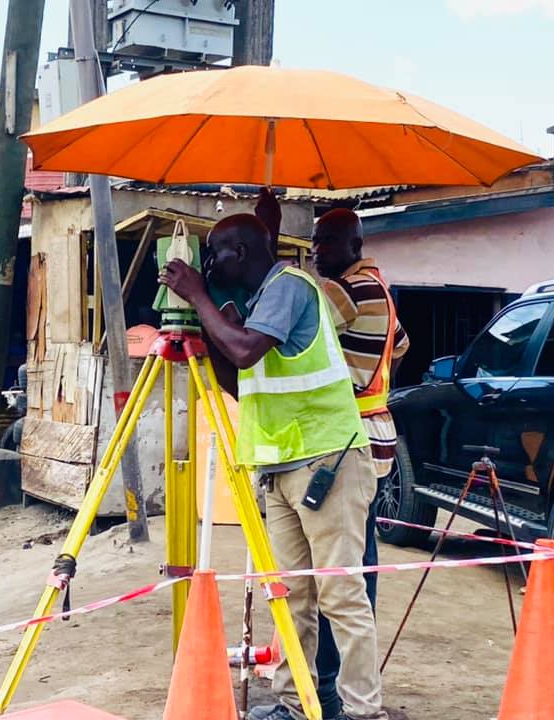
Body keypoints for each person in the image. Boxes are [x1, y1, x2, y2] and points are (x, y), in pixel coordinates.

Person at [160, 214, 387, 720]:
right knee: (291, 596)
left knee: (340, 594)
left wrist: (198, 296)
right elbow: (241, 379)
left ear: (238, 252)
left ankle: (363, 710)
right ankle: (295, 703)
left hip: (326, 459)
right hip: (283, 464)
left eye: (215, 255)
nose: (211, 265)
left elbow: (244, 352)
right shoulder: (262, 302)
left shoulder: (290, 287)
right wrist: (202, 327)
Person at [310, 208, 410, 718]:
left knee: (339, 576)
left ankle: (335, 690)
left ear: (353, 243)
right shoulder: (381, 288)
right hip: (380, 434)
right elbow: (402, 346)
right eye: (314, 242)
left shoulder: (344, 290)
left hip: (351, 436)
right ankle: (346, 686)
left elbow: (291, 321)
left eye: (325, 243)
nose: (316, 252)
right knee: (360, 563)